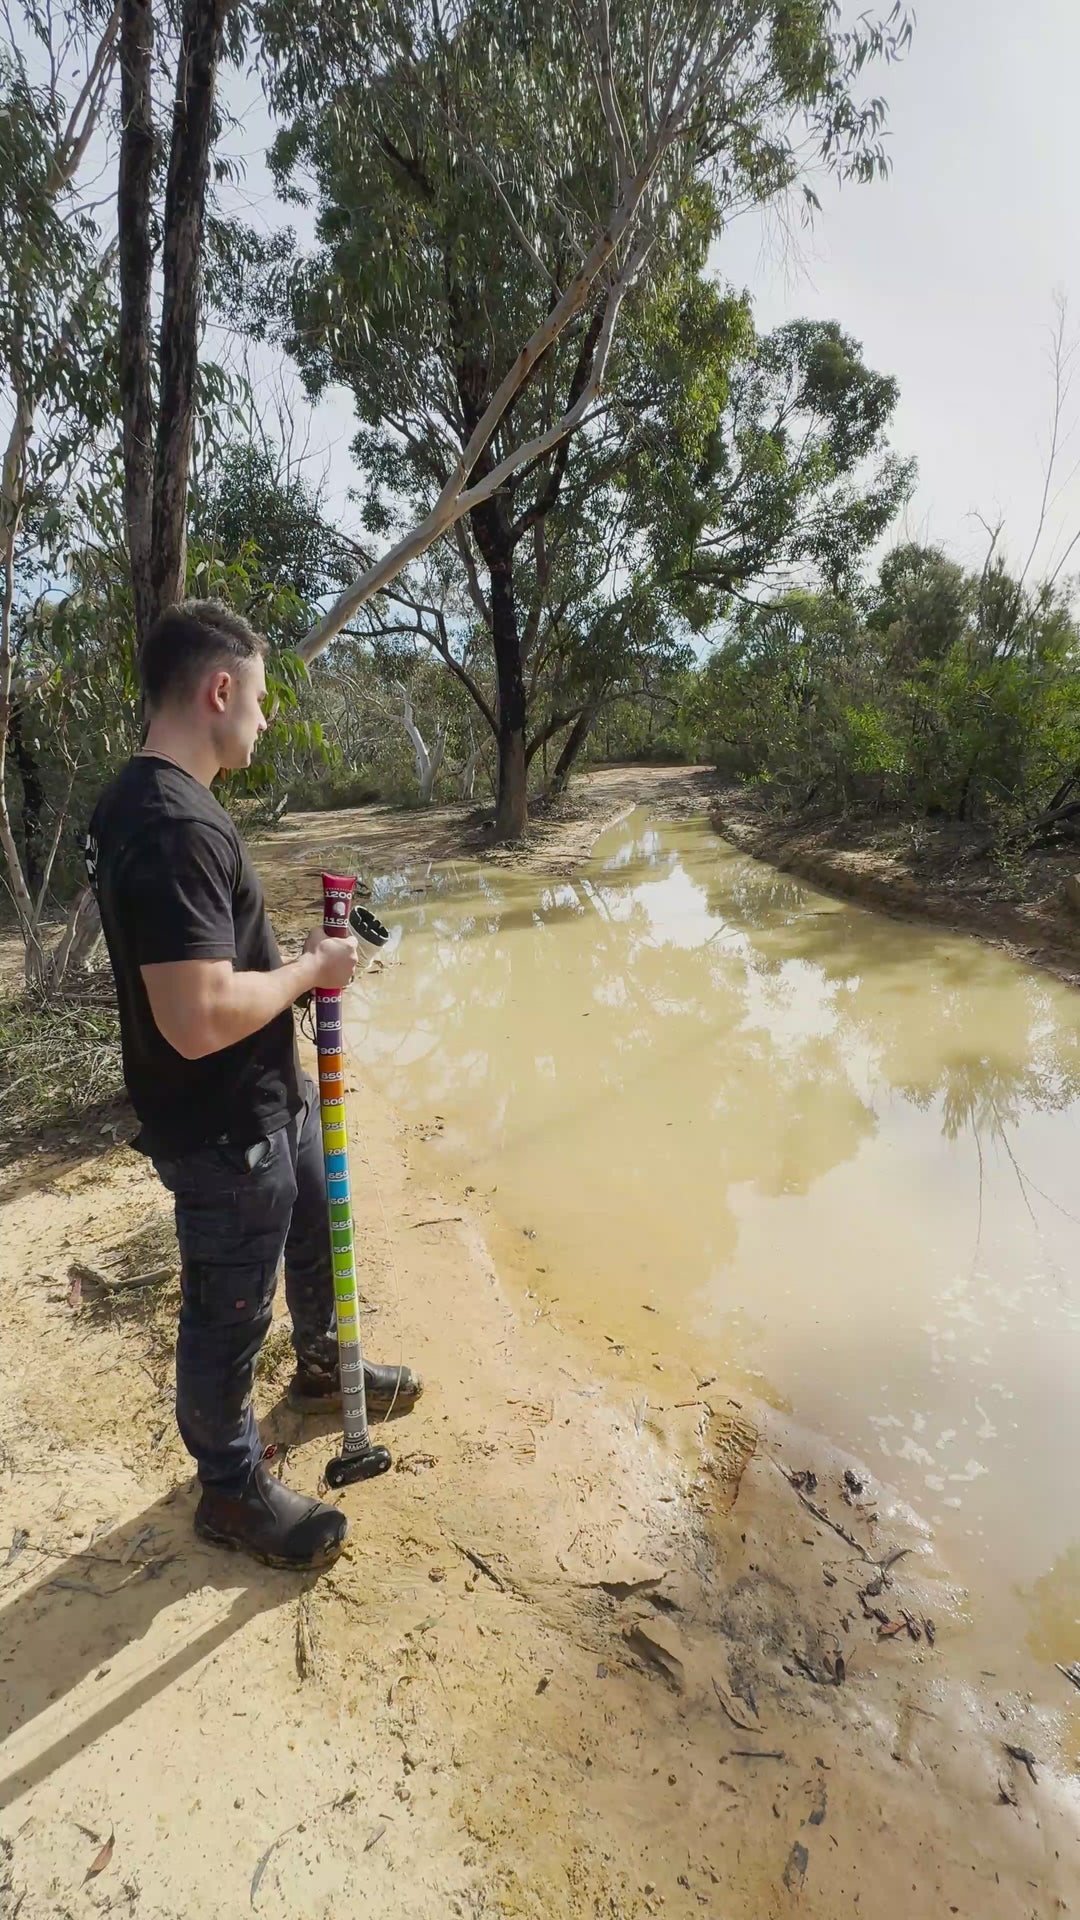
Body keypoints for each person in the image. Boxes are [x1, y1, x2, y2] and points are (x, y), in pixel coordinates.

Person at [86, 600, 422, 1572]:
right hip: (224, 1128)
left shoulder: (155, 803)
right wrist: (311, 975)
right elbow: (194, 1020)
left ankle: (326, 1365)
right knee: (227, 1311)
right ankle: (230, 1491)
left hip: (263, 1109)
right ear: (220, 690)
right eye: (262, 699)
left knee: (317, 1215)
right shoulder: (171, 822)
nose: (266, 720)